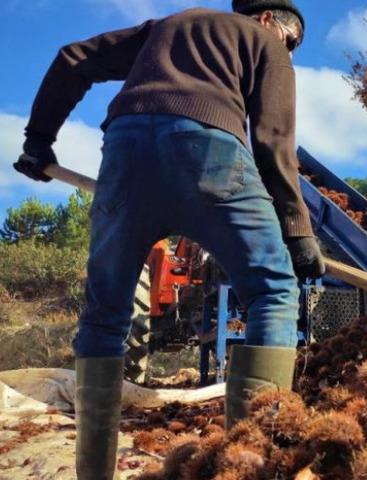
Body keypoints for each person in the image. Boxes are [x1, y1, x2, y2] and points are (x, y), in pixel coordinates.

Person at [12, 2, 323, 478]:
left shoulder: (170, 27)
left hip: (126, 152)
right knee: (273, 292)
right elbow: (273, 140)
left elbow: (73, 57)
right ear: (269, 20)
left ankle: (92, 473)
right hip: (210, 152)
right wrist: (298, 232)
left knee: (105, 315)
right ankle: (248, 467)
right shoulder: (265, 42)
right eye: (293, 42)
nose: (291, 52)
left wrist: (39, 141)